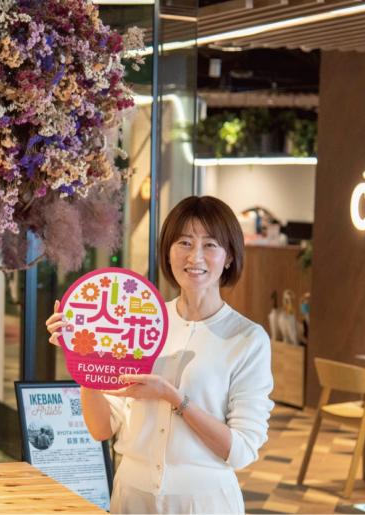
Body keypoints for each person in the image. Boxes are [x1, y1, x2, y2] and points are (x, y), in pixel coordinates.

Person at [46, 196, 274, 514]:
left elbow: (241, 450)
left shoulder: (247, 339)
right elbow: (101, 429)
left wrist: (173, 398)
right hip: (131, 497)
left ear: (230, 256)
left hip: (203, 503)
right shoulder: (137, 322)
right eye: (184, 242)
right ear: (168, 251)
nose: (195, 256)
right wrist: (83, 360)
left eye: (210, 245)